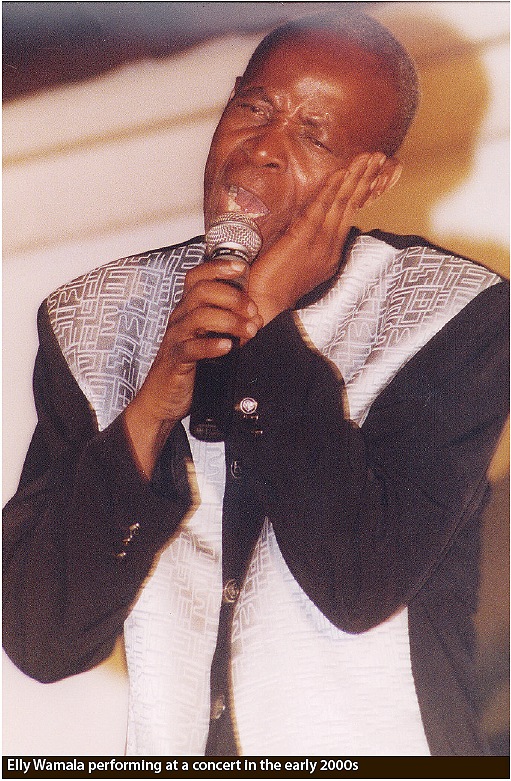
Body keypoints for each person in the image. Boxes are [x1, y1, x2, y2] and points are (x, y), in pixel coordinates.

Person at [3, 11, 509, 757]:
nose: (264, 148)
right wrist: (150, 411)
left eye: (313, 135)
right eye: (253, 108)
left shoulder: (454, 315)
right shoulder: (91, 321)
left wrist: (266, 325)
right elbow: (41, 639)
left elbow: (357, 585)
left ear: (372, 178)